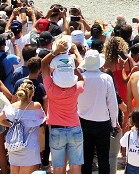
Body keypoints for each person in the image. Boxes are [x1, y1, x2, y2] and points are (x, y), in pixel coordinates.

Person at [42, 36, 87, 174]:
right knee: (76, 166)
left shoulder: (50, 88)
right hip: (75, 128)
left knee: (58, 167)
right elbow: (82, 79)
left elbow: (43, 64)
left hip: (56, 130)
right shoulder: (76, 88)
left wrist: (55, 52)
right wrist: (72, 68)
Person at [77, 49, 119, 174]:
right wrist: (114, 122)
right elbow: (112, 103)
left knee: (86, 158)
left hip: (83, 121)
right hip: (102, 122)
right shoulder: (106, 78)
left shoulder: (79, 79)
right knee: (103, 158)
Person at [0, 79, 47, 174]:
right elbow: (43, 118)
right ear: (32, 93)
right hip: (29, 147)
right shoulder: (36, 106)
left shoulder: (12, 107)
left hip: (14, 146)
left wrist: (11, 125)